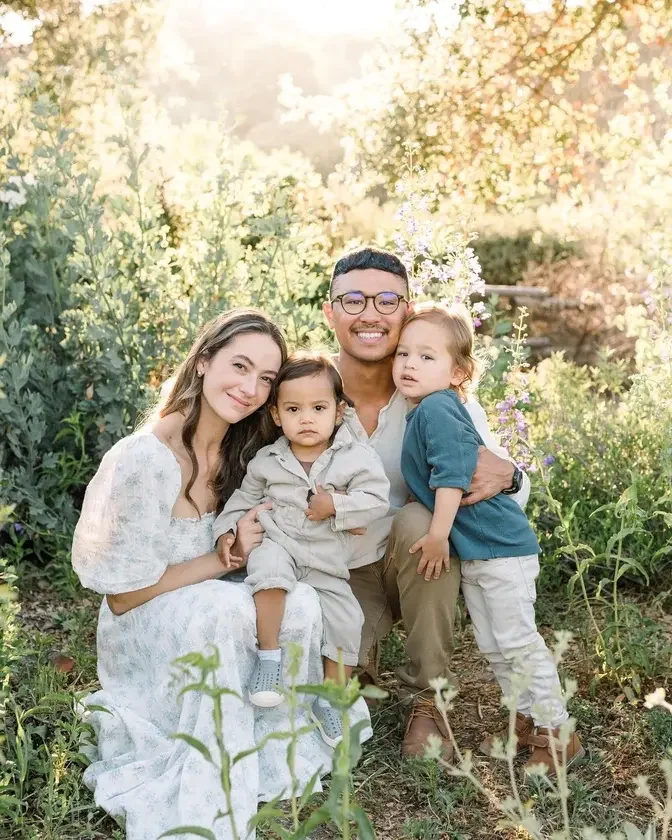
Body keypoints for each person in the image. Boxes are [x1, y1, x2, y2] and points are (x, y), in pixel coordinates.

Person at [71, 309, 371, 840]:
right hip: (148, 615)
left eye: (266, 379)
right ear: (204, 360)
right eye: (239, 366)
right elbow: (121, 598)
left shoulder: (249, 450)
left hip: (218, 594)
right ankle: (212, 759)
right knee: (222, 610)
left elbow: (334, 432)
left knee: (299, 601)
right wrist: (220, 560)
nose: (250, 388)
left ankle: (281, 728)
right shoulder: (146, 459)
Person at [323, 247, 531, 761]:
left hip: (410, 562)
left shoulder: (439, 398)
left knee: (420, 517)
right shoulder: (306, 388)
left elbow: (512, 488)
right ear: (330, 312)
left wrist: (511, 476)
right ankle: (357, 665)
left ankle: (427, 698)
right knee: (336, 696)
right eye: (353, 299)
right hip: (331, 567)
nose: (370, 313)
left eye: (386, 300)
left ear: (406, 310)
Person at [392, 302, 584, 774]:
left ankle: (558, 732)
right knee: (495, 645)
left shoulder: (438, 407)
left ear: (458, 372)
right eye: (403, 354)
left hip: (501, 547)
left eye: (426, 357)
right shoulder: (426, 409)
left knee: (516, 640)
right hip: (481, 551)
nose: (409, 364)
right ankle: (526, 717)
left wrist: (437, 536)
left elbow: (454, 474)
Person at [213, 352, 389, 747]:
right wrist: (227, 532)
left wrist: (337, 506)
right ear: (276, 415)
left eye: (318, 408)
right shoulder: (268, 460)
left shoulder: (356, 458)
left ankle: (330, 699)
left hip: (328, 560)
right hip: (281, 543)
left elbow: (378, 499)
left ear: (339, 411)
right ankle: (269, 659)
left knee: (349, 619)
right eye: (294, 409)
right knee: (269, 571)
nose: (306, 418)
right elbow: (242, 501)